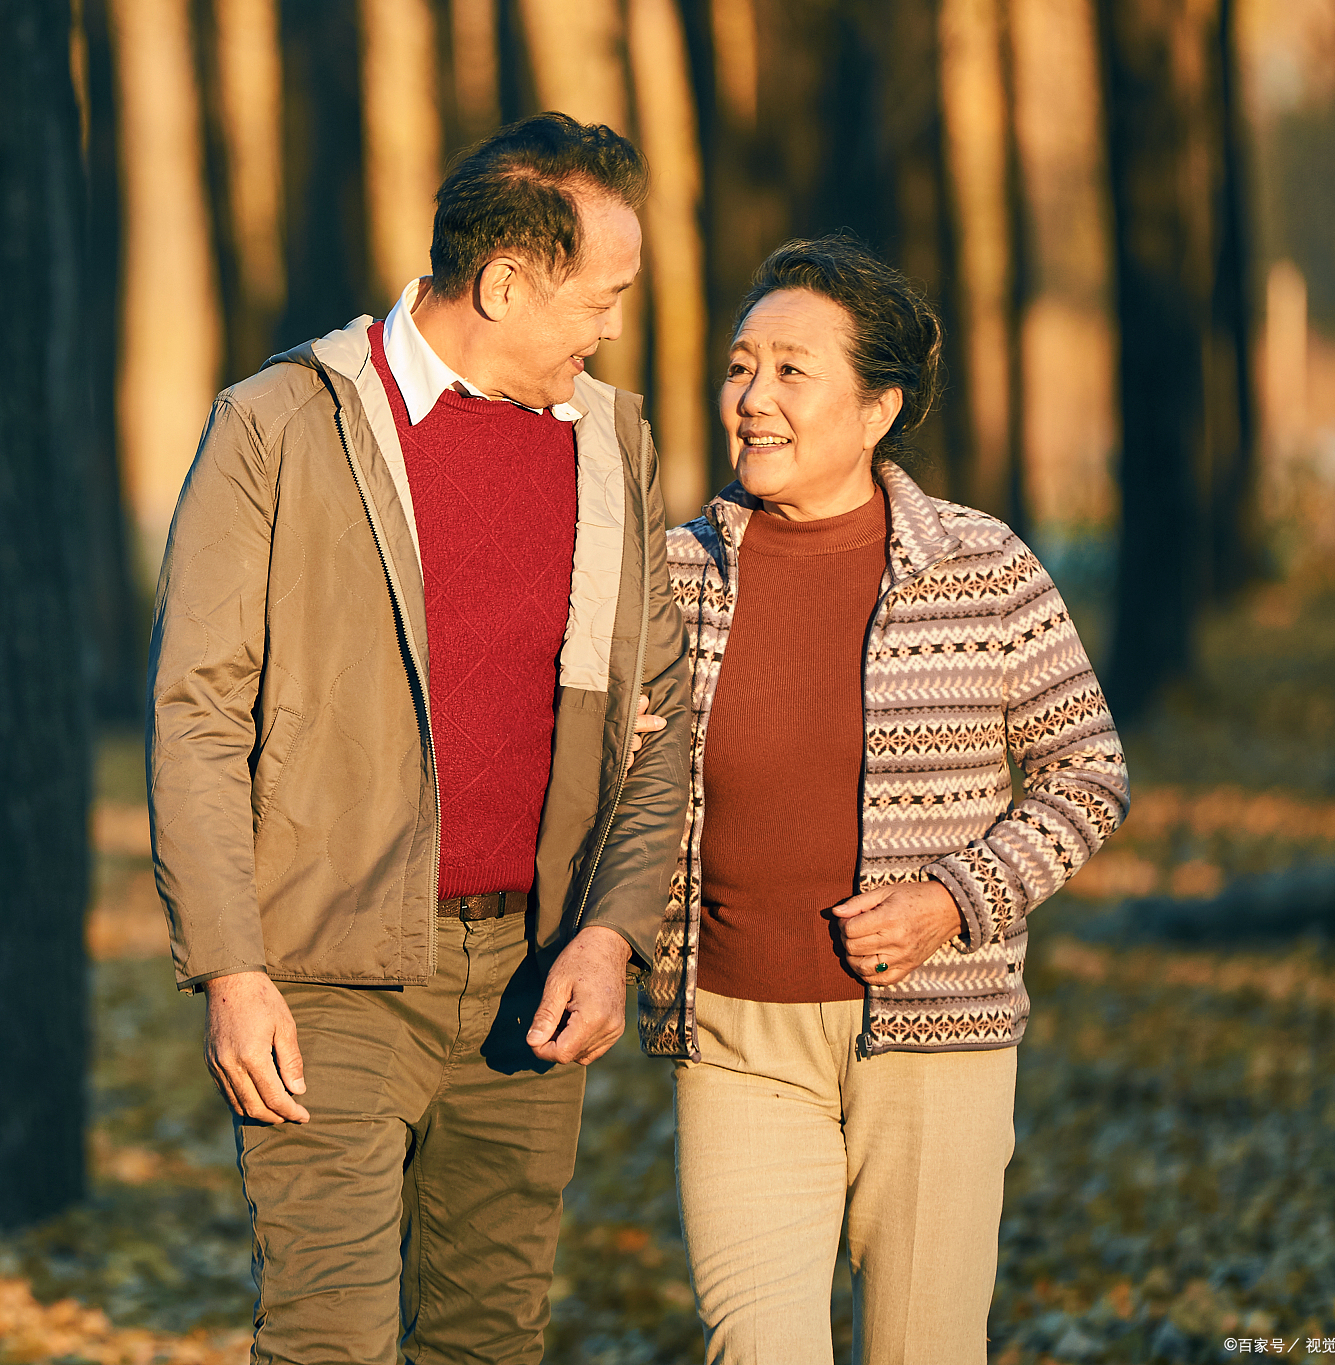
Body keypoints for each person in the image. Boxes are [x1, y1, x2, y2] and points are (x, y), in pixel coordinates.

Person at [146, 112, 690, 1363]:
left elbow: (655, 720)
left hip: (532, 975)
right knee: (327, 1340)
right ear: (504, 284)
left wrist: (609, 935)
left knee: (489, 1340)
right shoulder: (278, 423)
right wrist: (230, 970)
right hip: (324, 973)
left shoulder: (610, 441)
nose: (611, 328)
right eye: (600, 297)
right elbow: (196, 711)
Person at [635, 234, 1130, 1363]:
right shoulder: (673, 577)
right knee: (755, 1347)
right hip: (735, 1036)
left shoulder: (982, 566)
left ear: (877, 408)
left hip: (935, 1039)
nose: (752, 398)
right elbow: (616, 780)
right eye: (739, 367)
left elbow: (1088, 771)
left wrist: (953, 900)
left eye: (790, 371)